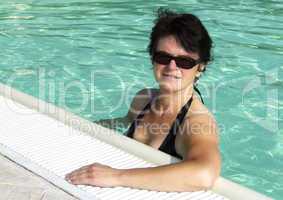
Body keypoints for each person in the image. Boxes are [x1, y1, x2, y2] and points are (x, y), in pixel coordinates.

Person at [65, 8, 221, 192]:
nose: (172, 67)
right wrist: (79, 126)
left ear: (201, 67)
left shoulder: (196, 122)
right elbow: (124, 122)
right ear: (152, 59)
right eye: (163, 57)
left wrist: (116, 176)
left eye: (184, 61)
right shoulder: (144, 99)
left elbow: (205, 174)